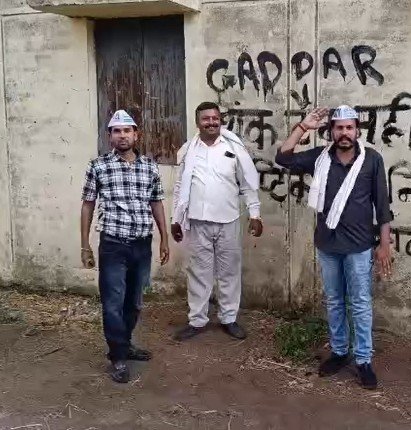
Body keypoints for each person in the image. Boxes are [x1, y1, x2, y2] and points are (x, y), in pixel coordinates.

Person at [275, 105, 393, 390]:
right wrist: (304, 127)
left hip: (359, 245)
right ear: (331, 131)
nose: (344, 133)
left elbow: (382, 204)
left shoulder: (372, 160)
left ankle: (363, 359)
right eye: (339, 128)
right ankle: (340, 352)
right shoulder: (320, 157)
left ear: (357, 131)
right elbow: (283, 158)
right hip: (328, 244)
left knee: (360, 303)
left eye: (349, 127)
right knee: (335, 301)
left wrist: (384, 244)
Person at [80, 109, 169, 383]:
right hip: (113, 245)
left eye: (127, 130)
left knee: (135, 302)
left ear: (136, 135)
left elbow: (156, 202)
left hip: (142, 245)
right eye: (117, 131)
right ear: (110, 136)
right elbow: (88, 205)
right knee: (113, 303)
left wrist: (164, 238)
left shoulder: (149, 167)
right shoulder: (98, 166)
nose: (122, 135)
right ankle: (117, 357)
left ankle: (125, 344)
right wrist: (85, 245)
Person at [171, 102, 263, 341]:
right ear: (197, 122)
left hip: (228, 220)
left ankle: (229, 318)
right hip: (198, 222)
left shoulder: (233, 148)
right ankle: (197, 320)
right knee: (198, 273)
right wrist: (176, 219)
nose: (211, 122)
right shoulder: (189, 151)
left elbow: (247, 184)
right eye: (206, 119)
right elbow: (180, 186)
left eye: (215, 118)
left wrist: (255, 214)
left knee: (229, 272)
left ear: (220, 120)